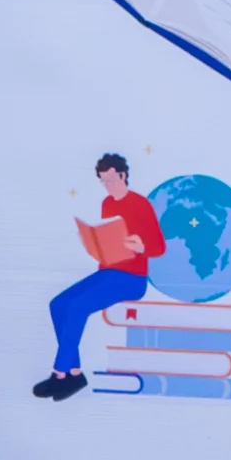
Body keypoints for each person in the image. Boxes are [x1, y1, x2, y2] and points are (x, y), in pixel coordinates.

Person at [35, 153, 165, 399]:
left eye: (111, 180)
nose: (108, 186)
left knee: (76, 307)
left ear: (123, 175)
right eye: (104, 181)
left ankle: (60, 374)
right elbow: (111, 238)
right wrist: (94, 245)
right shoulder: (108, 204)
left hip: (132, 278)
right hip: (109, 271)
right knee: (58, 304)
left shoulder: (140, 204)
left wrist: (141, 246)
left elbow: (159, 247)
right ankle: (74, 372)